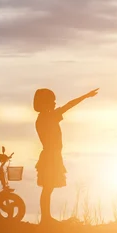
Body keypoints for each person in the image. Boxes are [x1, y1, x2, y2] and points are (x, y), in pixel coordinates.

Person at [33, 87, 99, 224]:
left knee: (48, 188)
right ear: (45, 103)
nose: (55, 104)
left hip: (52, 155)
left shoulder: (45, 117)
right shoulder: (48, 117)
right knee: (47, 188)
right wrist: (85, 96)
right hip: (50, 157)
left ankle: (46, 217)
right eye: (52, 101)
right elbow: (69, 105)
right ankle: (46, 218)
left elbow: (67, 106)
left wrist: (85, 96)